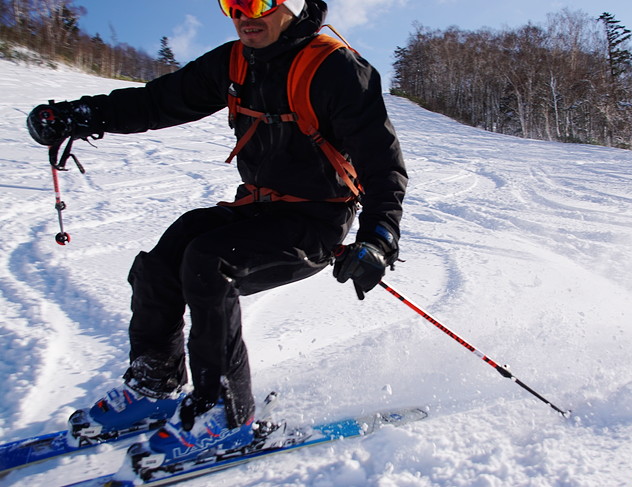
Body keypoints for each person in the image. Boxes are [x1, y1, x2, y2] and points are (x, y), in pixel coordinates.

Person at [26, 0, 407, 471]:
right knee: (166, 257)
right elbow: (156, 101)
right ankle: (155, 384)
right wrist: (82, 115)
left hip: (317, 222)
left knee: (209, 262)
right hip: (259, 208)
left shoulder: (334, 69)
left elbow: (382, 161)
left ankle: (226, 414)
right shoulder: (234, 62)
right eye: (233, 2)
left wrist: (379, 236)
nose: (245, 13)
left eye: (260, 1)